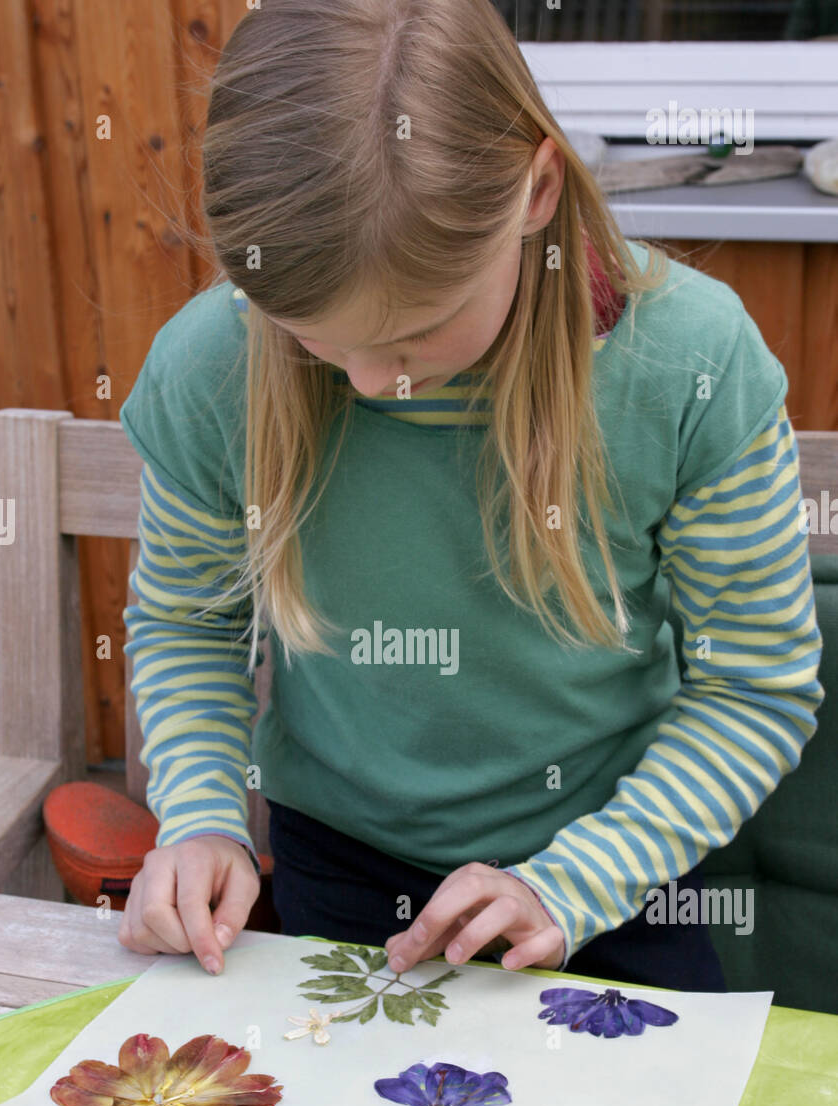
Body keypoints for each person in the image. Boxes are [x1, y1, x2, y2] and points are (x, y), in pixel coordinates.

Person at [117, 0, 823, 994]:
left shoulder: (689, 365)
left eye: (415, 332)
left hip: (615, 875)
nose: (367, 382)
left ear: (535, 191)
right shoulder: (214, 364)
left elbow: (750, 688)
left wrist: (575, 881)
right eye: (311, 333)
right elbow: (186, 624)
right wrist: (198, 817)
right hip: (340, 871)